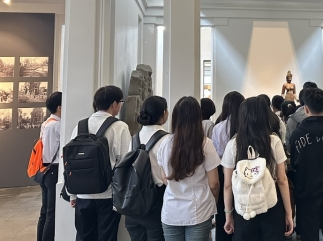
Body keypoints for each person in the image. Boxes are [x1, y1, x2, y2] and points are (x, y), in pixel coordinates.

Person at [222, 97, 294, 241]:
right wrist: (289, 213)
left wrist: (228, 215)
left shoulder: (233, 144)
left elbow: (228, 185)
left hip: (244, 207)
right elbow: (282, 180)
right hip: (271, 204)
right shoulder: (274, 141)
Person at [69, 86, 131, 241]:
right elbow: (125, 162)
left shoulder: (80, 126)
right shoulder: (120, 127)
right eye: (120, 102)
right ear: (114, 103)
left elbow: (69, 161)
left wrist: (72, 195)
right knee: (107, 237)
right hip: (107, 195)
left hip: (82, 194)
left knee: (83, 237)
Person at [157, 96, 220, 241]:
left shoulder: (165, 143)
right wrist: (213, 201)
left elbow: (164, 177)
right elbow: (214, 184)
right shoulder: (205, 144)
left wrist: (177, 186)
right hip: (199, 210)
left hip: (171, 211)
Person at [289, 87, 323, 241]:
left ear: (306, 109)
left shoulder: (297, 135)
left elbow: (294, 163)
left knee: (309, 236)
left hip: (307, 193)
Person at [125, 96, 170, 241]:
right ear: (164, 114)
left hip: (132, 202)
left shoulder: (133, 139)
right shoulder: (167, 140)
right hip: (156, 201)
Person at [212, 91, 245, 241]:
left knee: (224, 210)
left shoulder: (218, 127)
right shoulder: (245, 126)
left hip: (222, 171)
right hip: (243, 172)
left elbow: (215, 153)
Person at [37, 91, 61, 241]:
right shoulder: (58, 125)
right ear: (59, 107)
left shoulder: (46, 123)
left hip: (44, 169)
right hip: (54, 169)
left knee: (45, 211)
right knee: (52, 213)